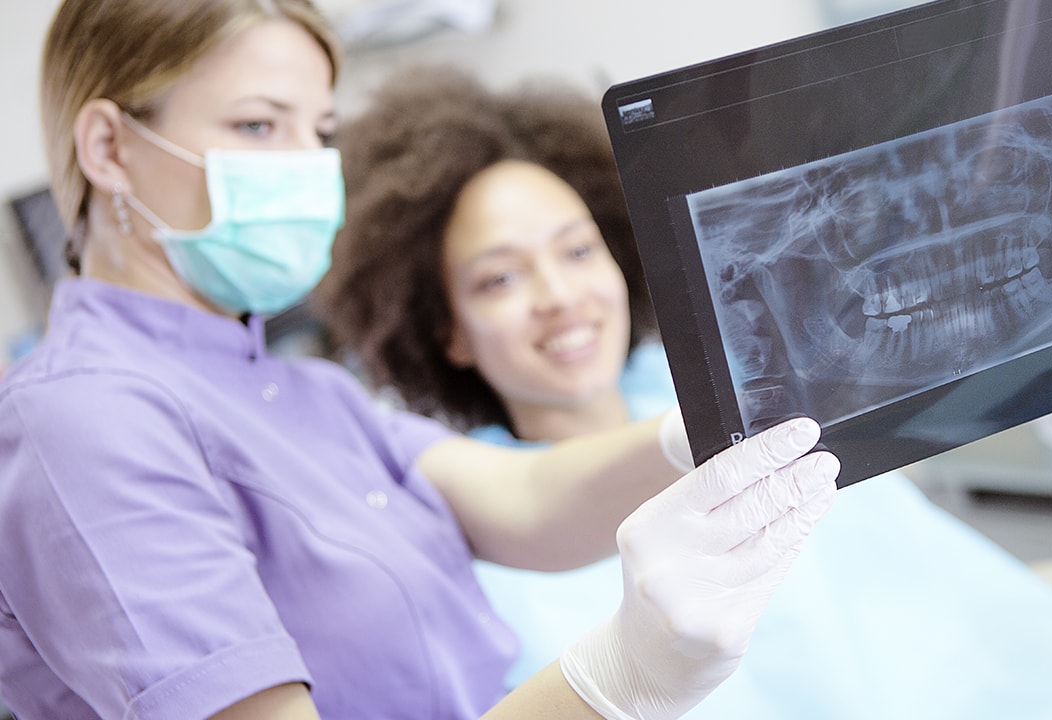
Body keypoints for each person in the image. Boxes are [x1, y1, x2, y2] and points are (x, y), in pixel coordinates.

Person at [317, 65, 1052, 720]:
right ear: (440, 326)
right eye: (498, 279)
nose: (561, 295)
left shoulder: (747, 377)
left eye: (577, 250)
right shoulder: (493, 533)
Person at [0, 1, 842, 718]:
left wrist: (715, 422)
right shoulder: (82, 420)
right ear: (109, 148)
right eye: (257, 125)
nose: (303, 166)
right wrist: (618, 679)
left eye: (318, 130)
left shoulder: (307, 390)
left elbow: (525, 496)